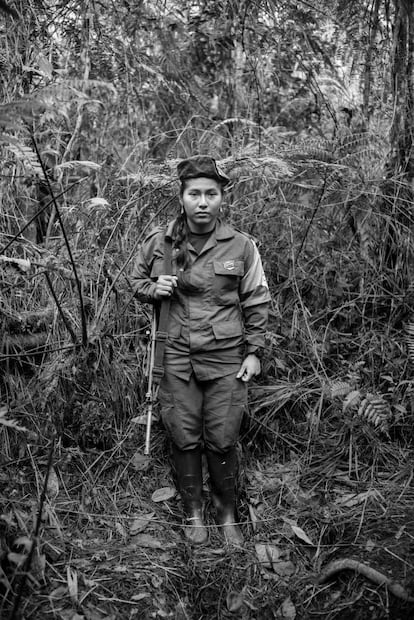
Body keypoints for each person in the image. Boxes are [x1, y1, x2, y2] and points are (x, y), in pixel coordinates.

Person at [131, 155, 270, 545]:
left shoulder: (241, 246)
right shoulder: (161, 241)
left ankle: (226, 512)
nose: (203, 202)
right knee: (183, 433)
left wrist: (254, 352)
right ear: (182, 196)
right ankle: (194, 512)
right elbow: (136, 280)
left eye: (211, 193)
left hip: (226, 356)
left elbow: (256, 300)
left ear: (222, 198)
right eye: (195, 193)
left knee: (223, 436)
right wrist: (151, 289)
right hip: (174, 354)